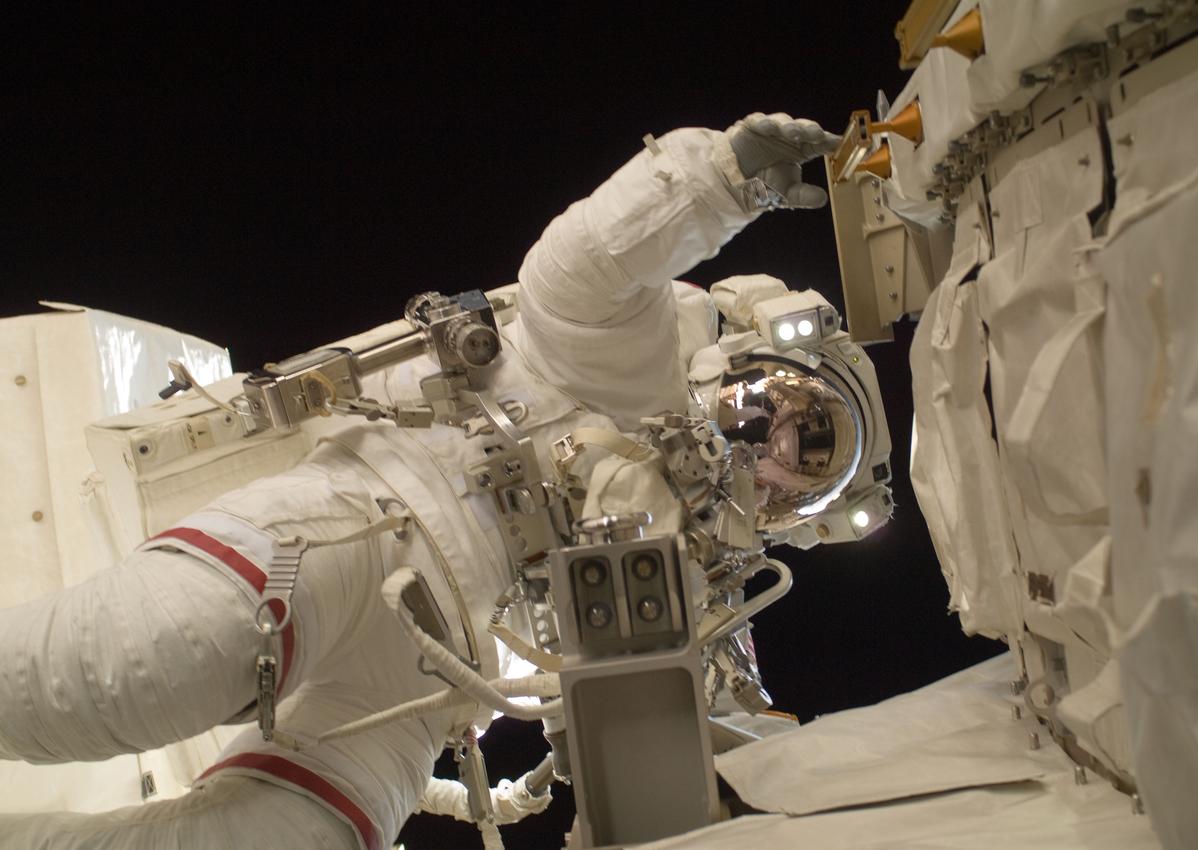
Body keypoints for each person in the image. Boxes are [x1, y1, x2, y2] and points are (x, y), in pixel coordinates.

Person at [0, 112, 841, 850]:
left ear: (800, 516)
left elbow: (706, 743)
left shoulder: (709, 589)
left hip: (429, 690)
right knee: (144, 667)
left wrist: (791, 780)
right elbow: (582, 260)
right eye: (793, 414)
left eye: (806, 469)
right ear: (749, 363)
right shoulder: (638, 349)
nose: (773, 451)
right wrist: (720, 179)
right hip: (371, 526)